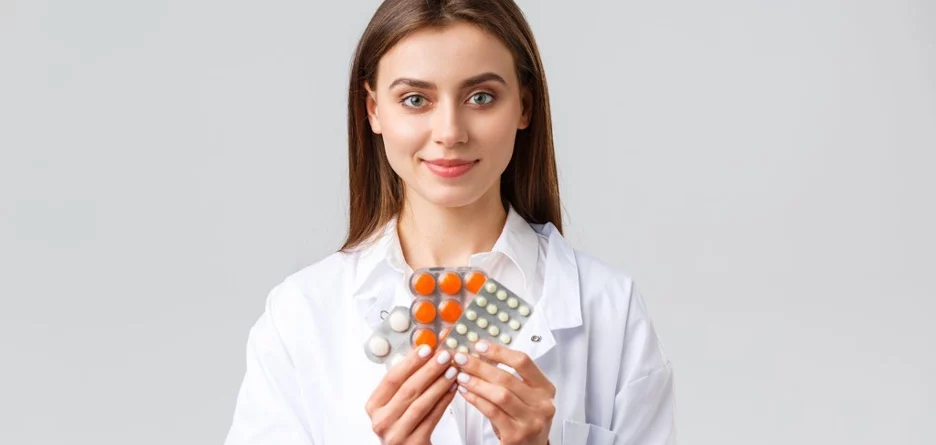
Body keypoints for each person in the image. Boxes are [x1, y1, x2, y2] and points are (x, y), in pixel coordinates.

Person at [223, 0, 676, 444]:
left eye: (481, 97)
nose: (450, 132)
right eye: (415, 99)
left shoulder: (609, 307)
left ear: (525, 106)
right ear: (373, 110)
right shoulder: (302, 315)